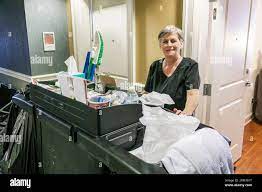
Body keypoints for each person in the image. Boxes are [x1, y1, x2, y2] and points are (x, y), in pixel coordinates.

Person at [144, 25, 200, 115]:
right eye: (165, 42)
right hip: (156, 117)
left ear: (181, 44)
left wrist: (185, 113)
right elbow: (147, 93)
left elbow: (193, 95)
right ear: (160, 45)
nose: (169, 45)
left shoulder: (190, 66)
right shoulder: (155, 66)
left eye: (173, 41)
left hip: (179, 118)